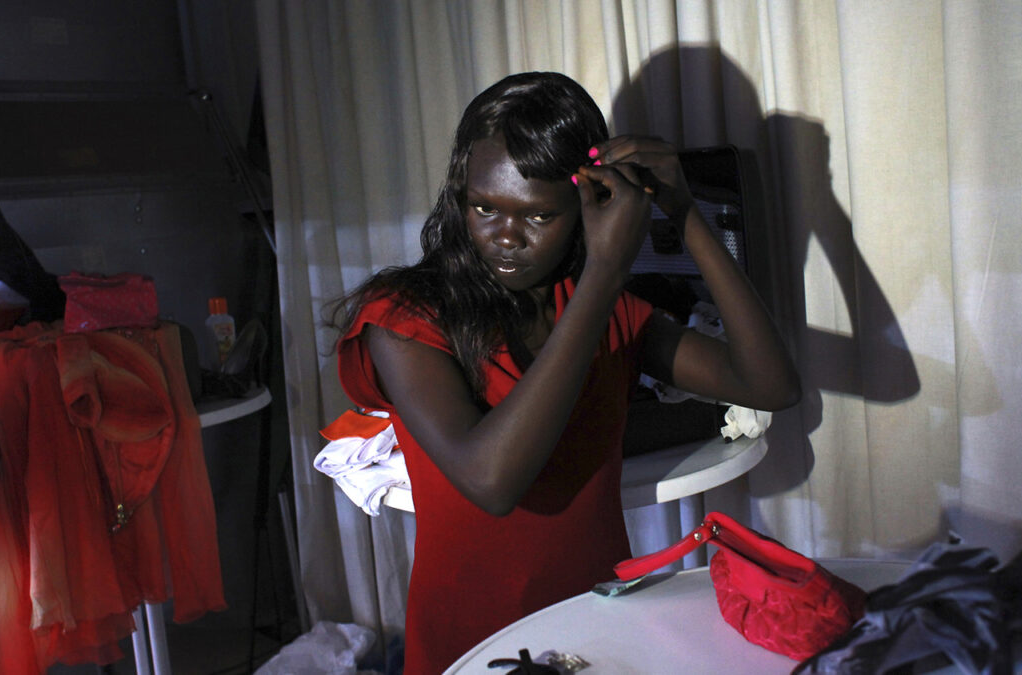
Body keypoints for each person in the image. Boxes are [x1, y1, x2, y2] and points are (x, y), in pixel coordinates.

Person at [328, 71, 800, 674]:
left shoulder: (599, 308)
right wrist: (604, 274)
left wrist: (681, 211)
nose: (504, 238)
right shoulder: (406, 317)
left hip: (596, 627)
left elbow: (770, 385)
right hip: (474, 640)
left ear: (584, 208)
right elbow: (493, 481)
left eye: (538, 217)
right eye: (483, 207)